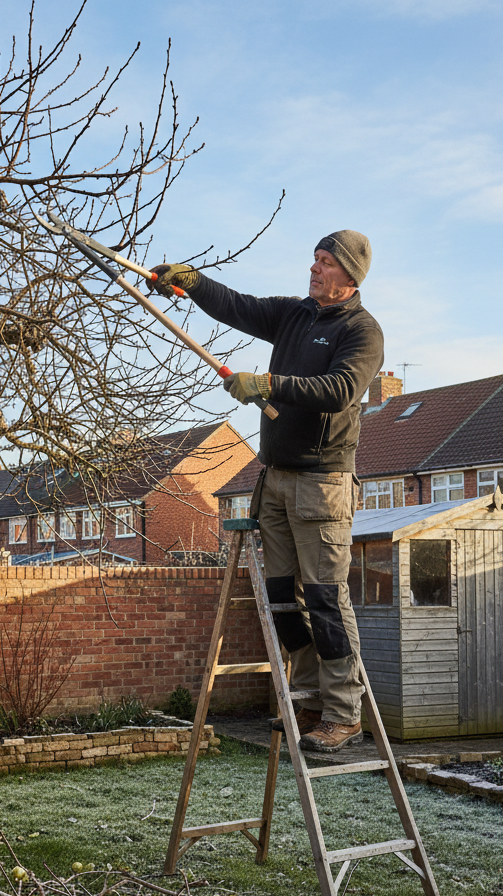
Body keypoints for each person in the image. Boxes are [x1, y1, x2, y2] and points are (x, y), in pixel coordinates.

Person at [150, 232, 383, 752]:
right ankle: (307, 702)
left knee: (325, 597)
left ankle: (344, 713)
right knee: (283, 597)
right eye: (316, 259)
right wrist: (192, 280)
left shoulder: (363, 331)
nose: (314, 268)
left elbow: (340, 391)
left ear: (349, 276)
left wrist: (268, 383)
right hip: (274, 480)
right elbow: (238, 306)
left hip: (322, 485)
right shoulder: (294, 314)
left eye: (325, 263)